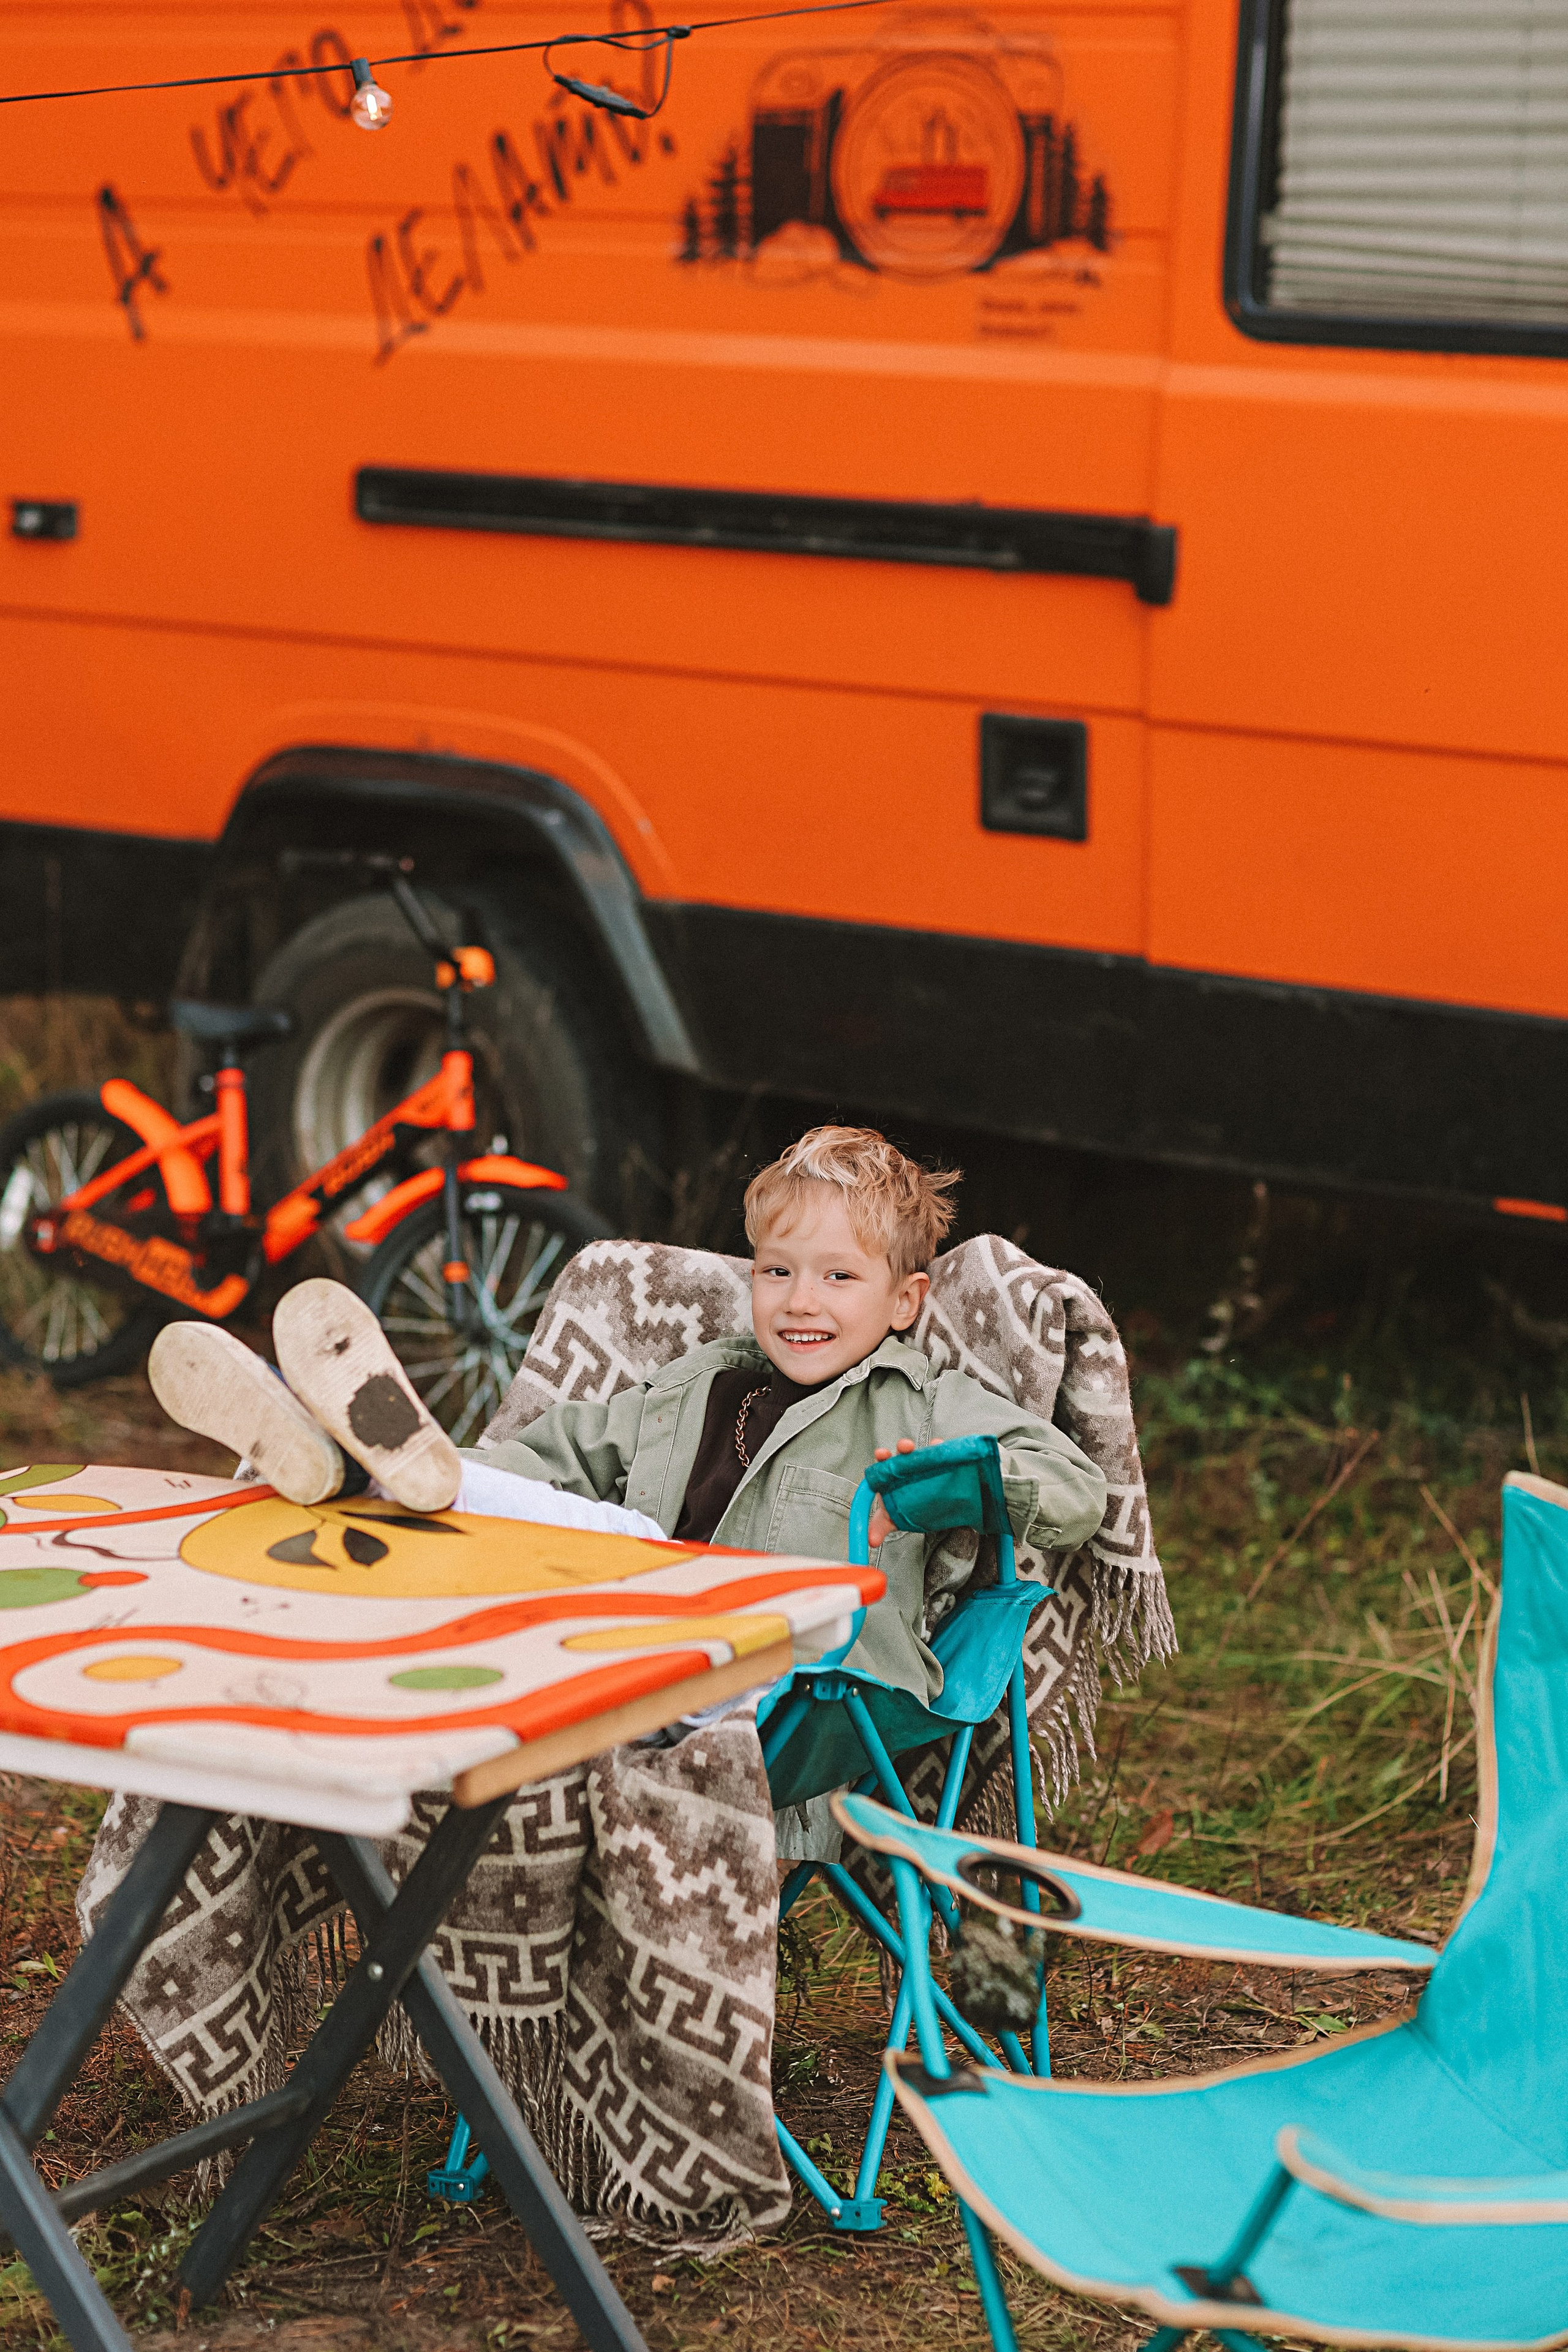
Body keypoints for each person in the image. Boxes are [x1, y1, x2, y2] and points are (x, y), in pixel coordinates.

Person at [150, 1125, 1109, 1727]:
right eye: (777, 1272)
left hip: (809, 1682)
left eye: (839, 1277)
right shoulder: (700, 1387)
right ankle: (363, 1466)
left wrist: (942, 1482)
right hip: (652, 1639)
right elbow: (550, 1458)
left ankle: (372, 1468)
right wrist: (483, 1485)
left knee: (638, 1554)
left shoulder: (919, 1400)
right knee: (564, 1521)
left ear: (906, 1301)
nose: (800, 1301)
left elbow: (1075, 1492)